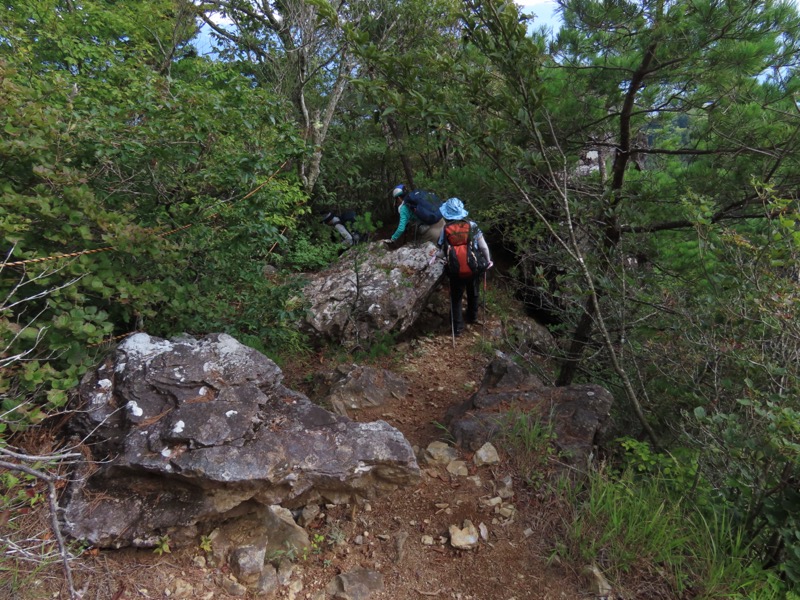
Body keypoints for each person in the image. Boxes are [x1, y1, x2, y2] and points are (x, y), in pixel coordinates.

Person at [432, 197, 493, 337]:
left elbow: (442, 251)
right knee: (473, 292)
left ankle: (457, 327)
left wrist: (435, 257)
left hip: (455, 270)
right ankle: (473, 316)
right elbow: (483, 246)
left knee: (456, 297)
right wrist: (488, 261)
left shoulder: (446, 229)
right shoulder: (472, 226)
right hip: (473, 267)